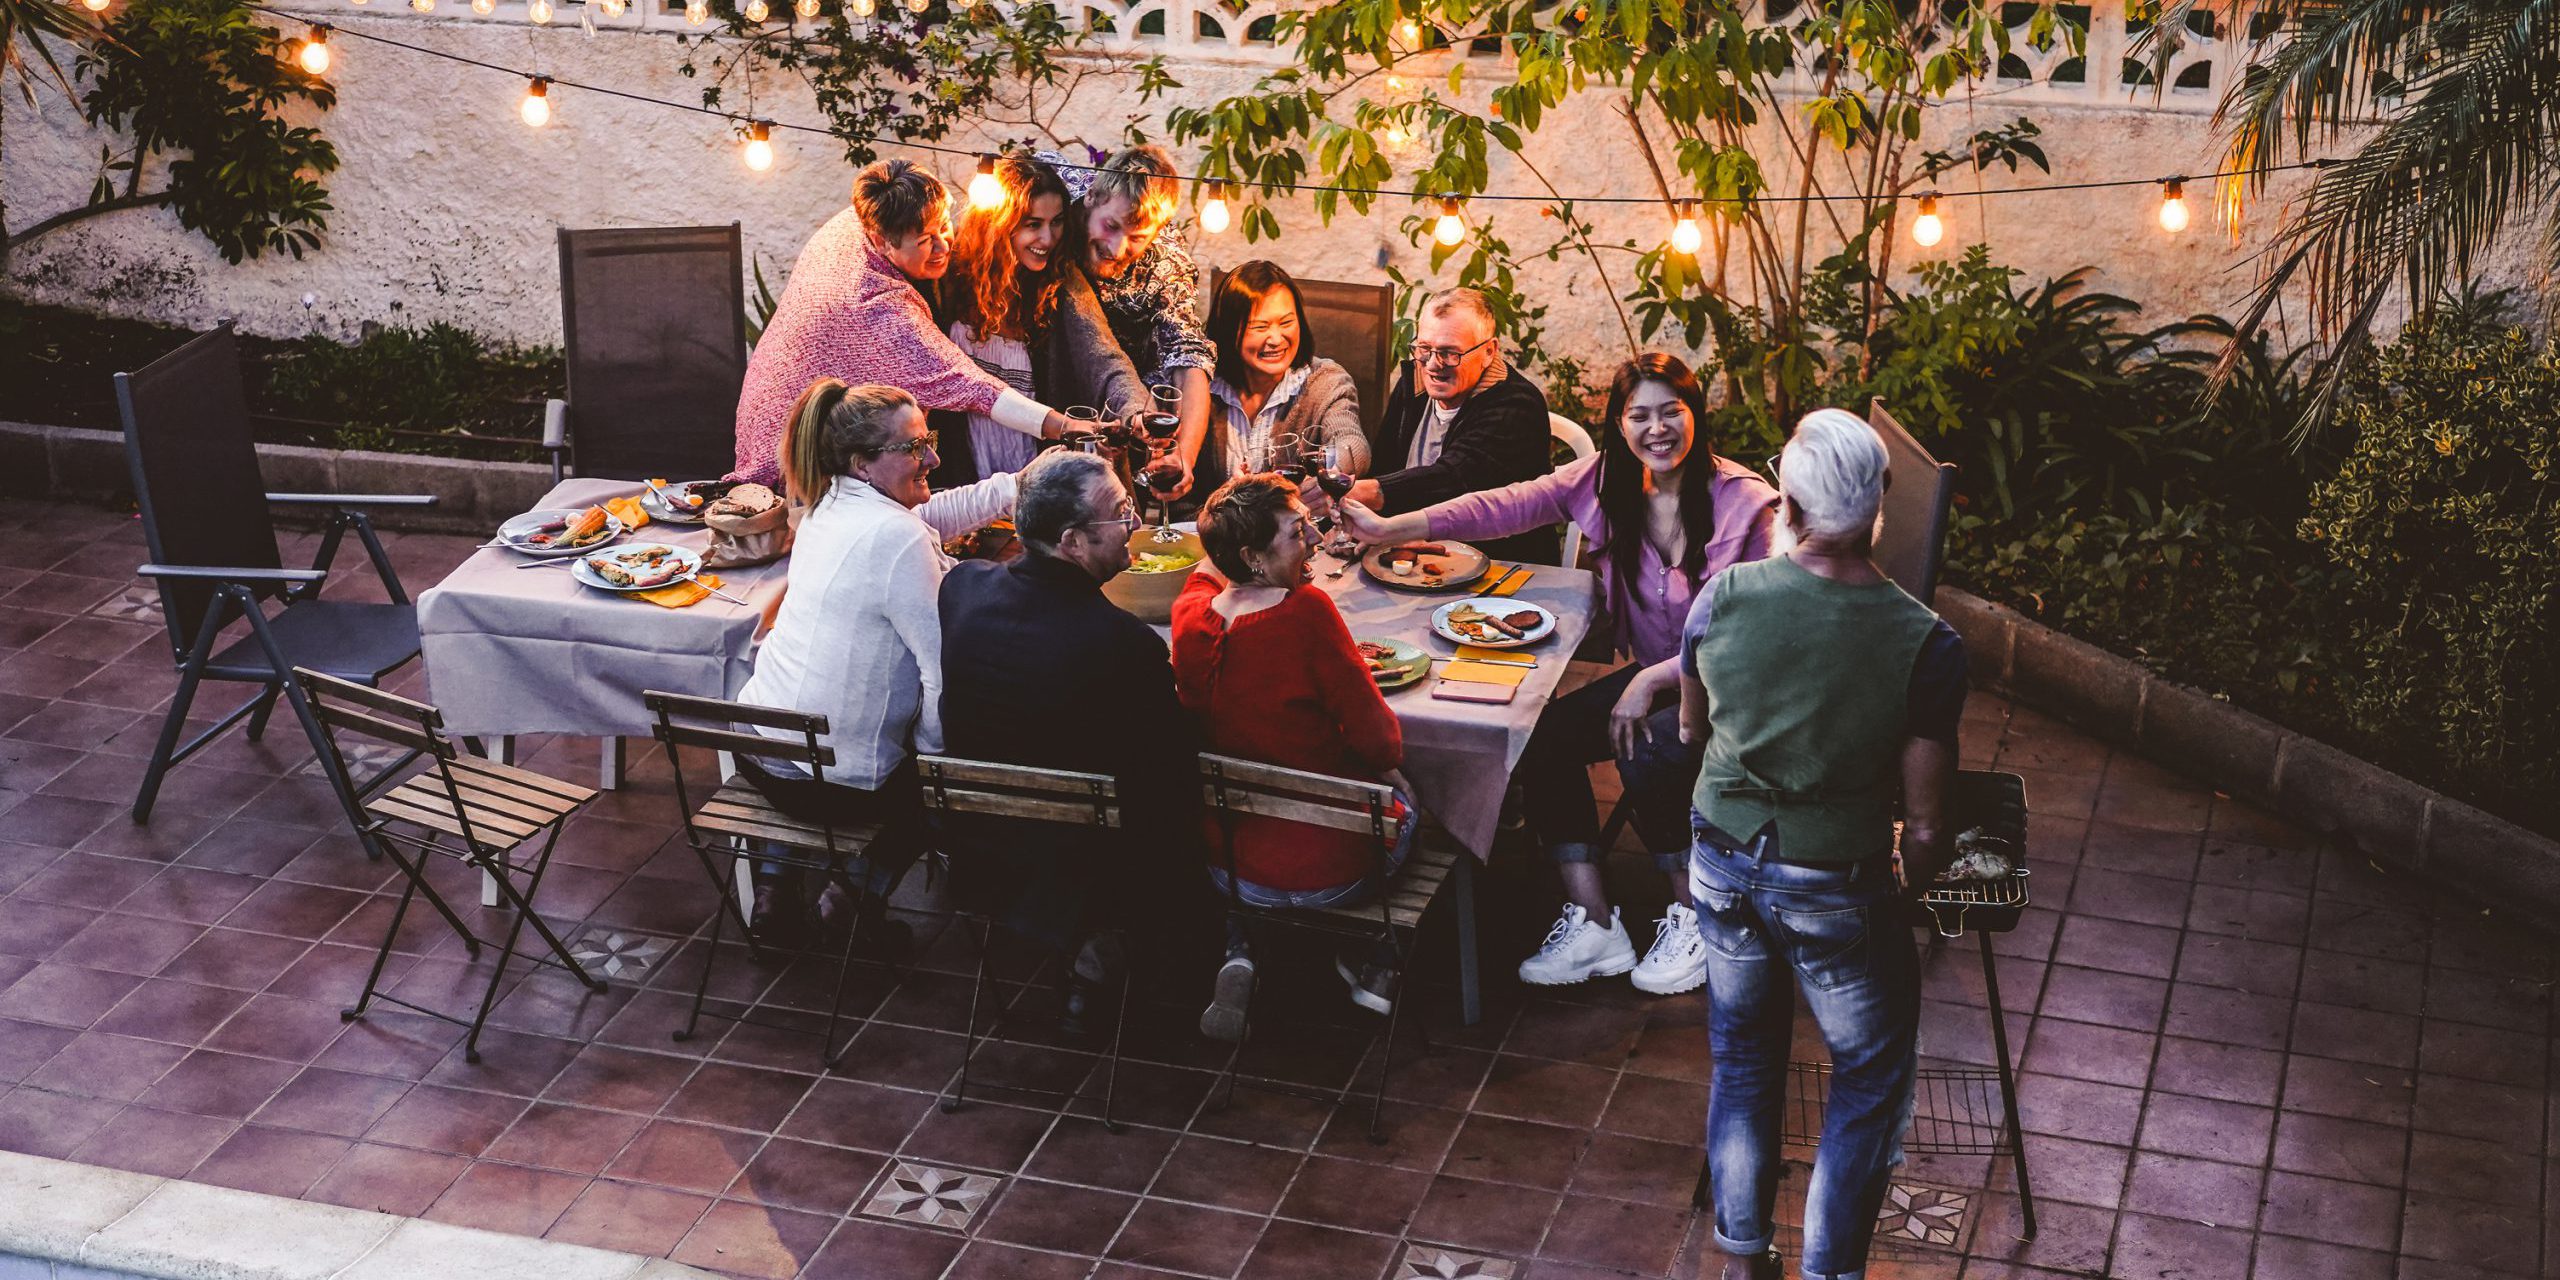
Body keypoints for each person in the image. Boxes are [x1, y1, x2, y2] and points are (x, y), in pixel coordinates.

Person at [1338, 354, 1778, 997]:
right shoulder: (1609, 481)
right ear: (1620, 426)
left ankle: (1698, 916)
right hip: (1662, 688)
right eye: (1639, 416)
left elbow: (1753, 637)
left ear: (1695, 415)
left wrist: (1649, 681)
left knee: (1645, 747)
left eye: (1671, 412)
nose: (1657, 430)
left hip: (1739, 697)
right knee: (1539, 739)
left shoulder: (1746, 507)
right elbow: (1500, 507)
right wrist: (1387, 527)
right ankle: (1596, 923)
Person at [1679, 408, 1966, 1280]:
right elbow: (1923, 823)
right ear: (1880, 506)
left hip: (1722, 861)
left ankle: (1740, 1256)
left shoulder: (1724, 595)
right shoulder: (1925, 642)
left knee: (1744, 1060)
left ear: (1790, 507)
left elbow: (1694, 729)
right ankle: (1829, 1271)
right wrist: (1911, 890)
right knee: (1868, 1078)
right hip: (1834, 884)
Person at [732, 379, 1018, 941]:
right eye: (914, 448)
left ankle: (774, 887)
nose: (932, 456)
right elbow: (940, 675)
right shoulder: (898, 536)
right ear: (863, 463)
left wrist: (1014, 486)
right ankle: (854, 897)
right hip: (828, 785)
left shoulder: (822, 506)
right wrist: (937, 764)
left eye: (927, 439)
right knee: (932, 784)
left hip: (759, 752)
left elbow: (929, 513)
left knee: (813, 718)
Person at [937, 450, 1200, 1033]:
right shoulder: (1124, 644)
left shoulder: (963, 588)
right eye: (1120, 512)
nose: (1132, 522)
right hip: (1085, 860)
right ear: (1073, 541)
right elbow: (1172, 774)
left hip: (977, 846)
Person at [1171, 475, 1415, 1039]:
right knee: (1416, 804)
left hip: (1230, 867)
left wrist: (1226, 545)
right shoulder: (1307, 612)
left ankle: (1242, 951)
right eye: (1293, 533)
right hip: (1331, 870)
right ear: (1254, 557)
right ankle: (1374, 955)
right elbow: (1381, 742)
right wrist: (1400, 778)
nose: (1311, 538)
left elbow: (1199, 581)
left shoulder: (1192, 617)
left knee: (1254, 841)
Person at [732, 159, 1089, 490]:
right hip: (792, 472)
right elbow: (970, 385)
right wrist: (1065, 426)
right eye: (923, 241)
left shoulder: (851, 221)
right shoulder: (876, 307)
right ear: (880, 241)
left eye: (944, 227)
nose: (943, 246)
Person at [926, 153, 1149, 486]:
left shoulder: (1060, 281)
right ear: (999, 222)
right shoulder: (950, 277)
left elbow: (1104, 356)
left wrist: (1136, 408)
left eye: (1056, 222)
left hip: (1036, 472)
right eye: (1033, 224)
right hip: (962, 468)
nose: (1048, 239)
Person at [1039, 144, 1219, 501]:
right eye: (1110, 226)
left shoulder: (1167, 259)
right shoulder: (1061, 193)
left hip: (1123, 412)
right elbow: (1031, 163)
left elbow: (1188, 355)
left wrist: (1185, 454)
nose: (1118, 248)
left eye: (1137, 238)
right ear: (1091, 196)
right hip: (1040, 378)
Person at [1338, 288, 1557, 563]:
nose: (1432, 364)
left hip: (1499, 566)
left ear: (1489, 351)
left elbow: (1455, 478)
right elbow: (1385, 465)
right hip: (1410, 557)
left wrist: (1365, 492)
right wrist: (1357, 526)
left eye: (1449, 353)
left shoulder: (1516, 406)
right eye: (1425, 348)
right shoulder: (1413, 385)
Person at [1197, 261, 1370, 485]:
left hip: (1298, 518)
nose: (1277, 339)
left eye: (1287, 322)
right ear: (1229, 330)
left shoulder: (1326, 381)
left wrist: (1329, 474)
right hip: (1209, 520)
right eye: (1260, 327)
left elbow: (1352, 442)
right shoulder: (1202, 383)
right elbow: (1180, 500)